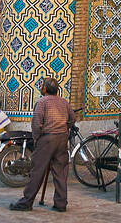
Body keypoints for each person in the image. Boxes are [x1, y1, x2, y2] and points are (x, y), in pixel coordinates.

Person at [10, 76, 75, 213]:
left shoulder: (42, 102)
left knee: (37, 170)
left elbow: (36, 124)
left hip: (47, 138)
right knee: (60, 171)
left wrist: (37, 139)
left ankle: (26, 202)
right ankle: (61, 203)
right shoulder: (64, 102)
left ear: (44, 89)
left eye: (41, 86)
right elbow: (72, 119)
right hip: (62, 138)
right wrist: (64, 129)